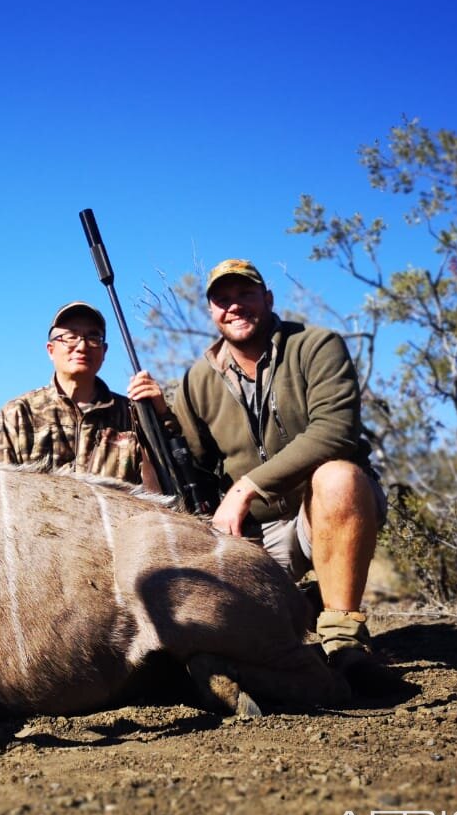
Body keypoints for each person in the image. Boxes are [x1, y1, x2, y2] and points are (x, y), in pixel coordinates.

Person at [165, 259, 386, 674]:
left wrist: (246, 488)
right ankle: (303, 603)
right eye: (223, 300)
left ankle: (343, 640)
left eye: (245, 295)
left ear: (267, 298)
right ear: (212, 312)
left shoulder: (317, 345)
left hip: (318, 511)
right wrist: (158, 415)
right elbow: (194, 464)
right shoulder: (197, 379)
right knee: (237, 640)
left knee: (338, 476)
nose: (235, 307)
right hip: (255, 533)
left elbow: (336, 431)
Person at [0, 301, 166, 489]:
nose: (82, 346)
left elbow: (173, 483)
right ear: (50, 350)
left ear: (104, 351)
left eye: (93, 337)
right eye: (70, 337)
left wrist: (161, 415)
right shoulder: (18, 413)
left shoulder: (132, 414)